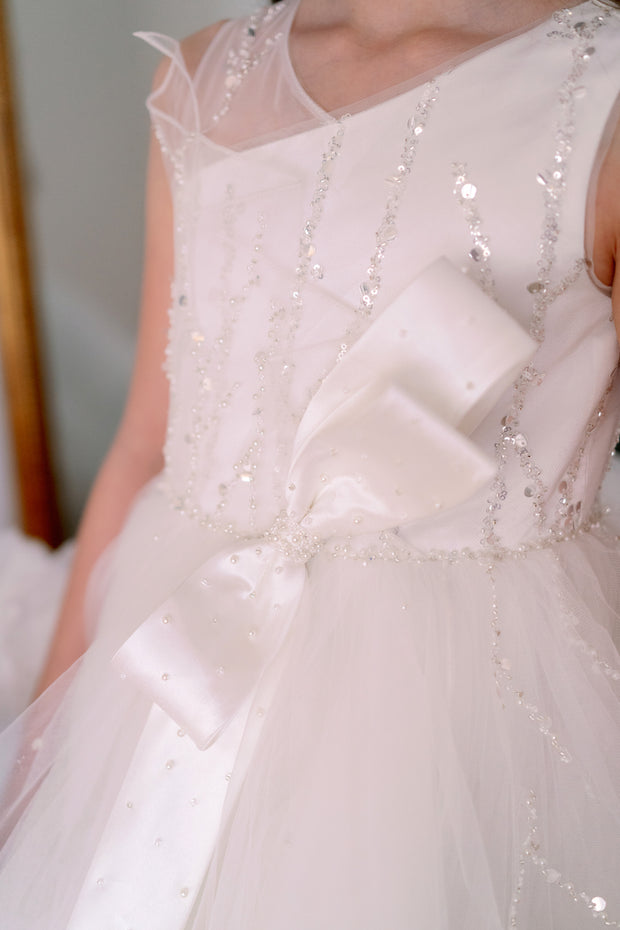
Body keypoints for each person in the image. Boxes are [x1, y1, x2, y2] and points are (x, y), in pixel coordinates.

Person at [1, 0, 620, 926]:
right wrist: (48, 733)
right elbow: (146, 441)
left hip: (476, 703)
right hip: (178, 649)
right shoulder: (205, 77)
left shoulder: (596, 90)